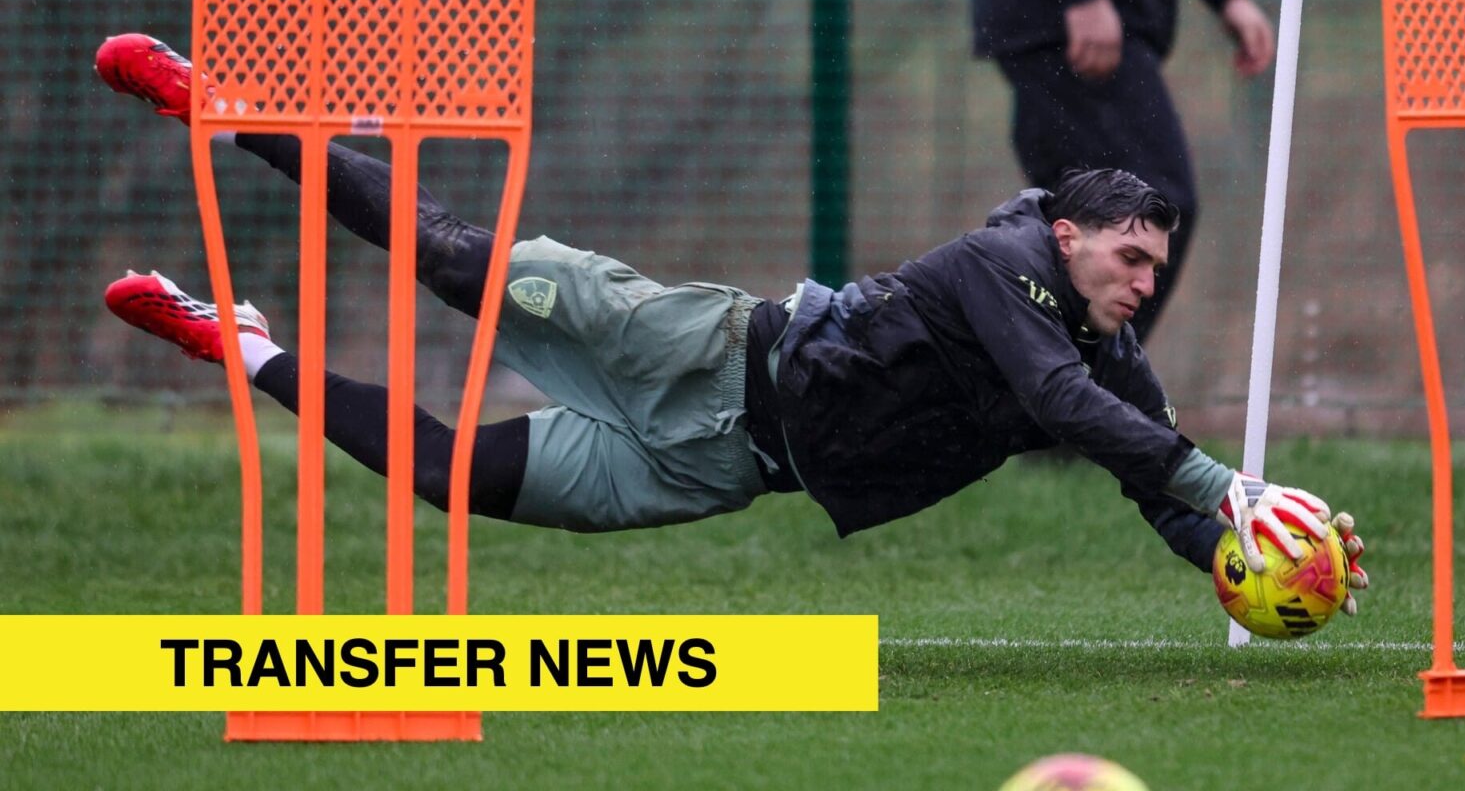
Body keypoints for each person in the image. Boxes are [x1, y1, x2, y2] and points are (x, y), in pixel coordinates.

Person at [94, 33, 1366, 609]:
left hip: (721, 466)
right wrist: (1218, 473)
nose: (1146, 281)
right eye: (1131, 256)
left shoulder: (1115, 363)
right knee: (451, 261)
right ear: (1070, 237)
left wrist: (1254, 553)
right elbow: (1058, 407)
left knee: (453, 476)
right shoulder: (1001, 259)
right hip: (700, 344)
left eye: (1160, 265)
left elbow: (1148, 482)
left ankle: (238, 341)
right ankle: (228, 111)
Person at [972, 0, 1276, 342]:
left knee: (1091, 219)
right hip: (1063, 13)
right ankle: (1069, 373)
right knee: (1146, 205)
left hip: (1106, 13)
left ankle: (1057, 374)